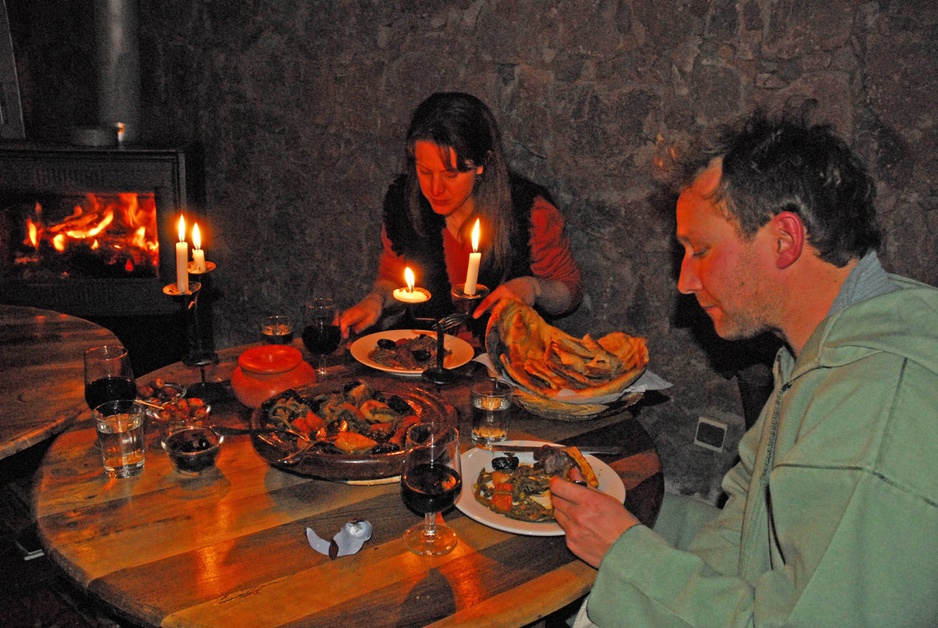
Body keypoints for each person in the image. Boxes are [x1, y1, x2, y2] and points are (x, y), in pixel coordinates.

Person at [550, 110, 938, 626]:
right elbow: (748, 534)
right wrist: (624, 513)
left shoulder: (871, 413)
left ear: (784, 239)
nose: (685, 280)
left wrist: (627, 554)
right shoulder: (815, 355)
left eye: (701, 249)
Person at [340, 92, 582, 337]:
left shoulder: (531, 213)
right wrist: (377, 299)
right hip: (428, 350)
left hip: (507, 354)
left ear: (481, 164)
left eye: (451, 174)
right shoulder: (403, 204)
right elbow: (395, 281)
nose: (435, 189)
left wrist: (534, 287)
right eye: (424, 171)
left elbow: (569, 293)